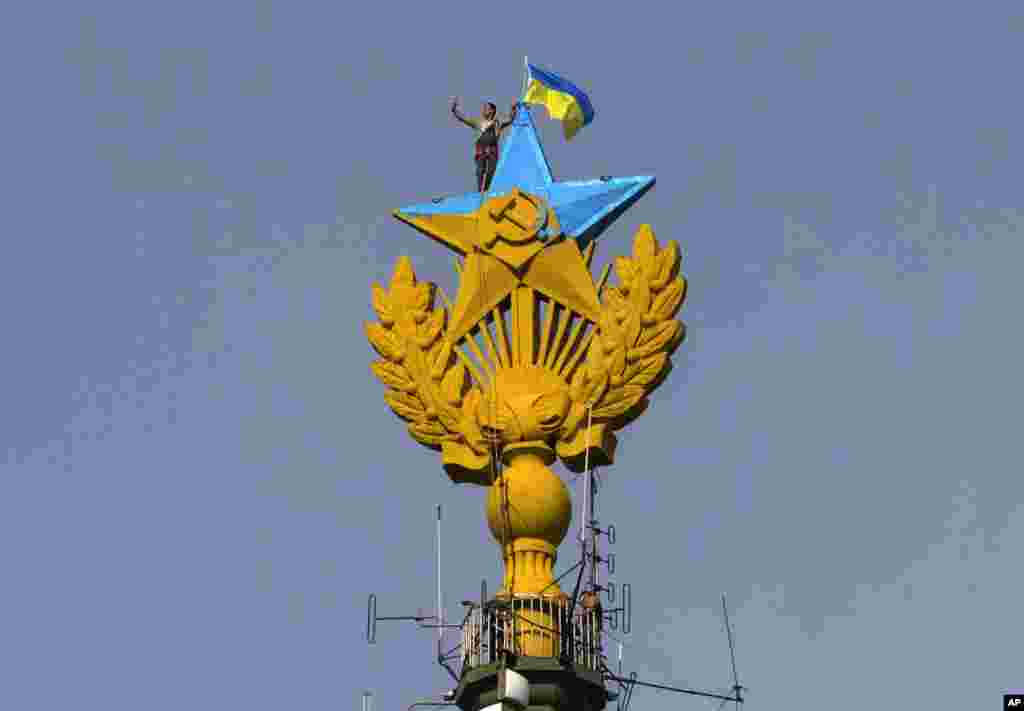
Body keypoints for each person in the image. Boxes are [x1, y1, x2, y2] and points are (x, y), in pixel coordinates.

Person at [451, 98, 518, 193]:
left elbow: (510, 119)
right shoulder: (478, 122)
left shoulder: (498, 123)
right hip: (481, 150)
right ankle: (480, 191)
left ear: (492, 110)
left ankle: (486, 190)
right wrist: (454, 110)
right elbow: (464, 118)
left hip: (492, 150)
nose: (483, 110)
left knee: (491, 171)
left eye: (486, 108)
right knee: (480, 171)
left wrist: (513, 109)